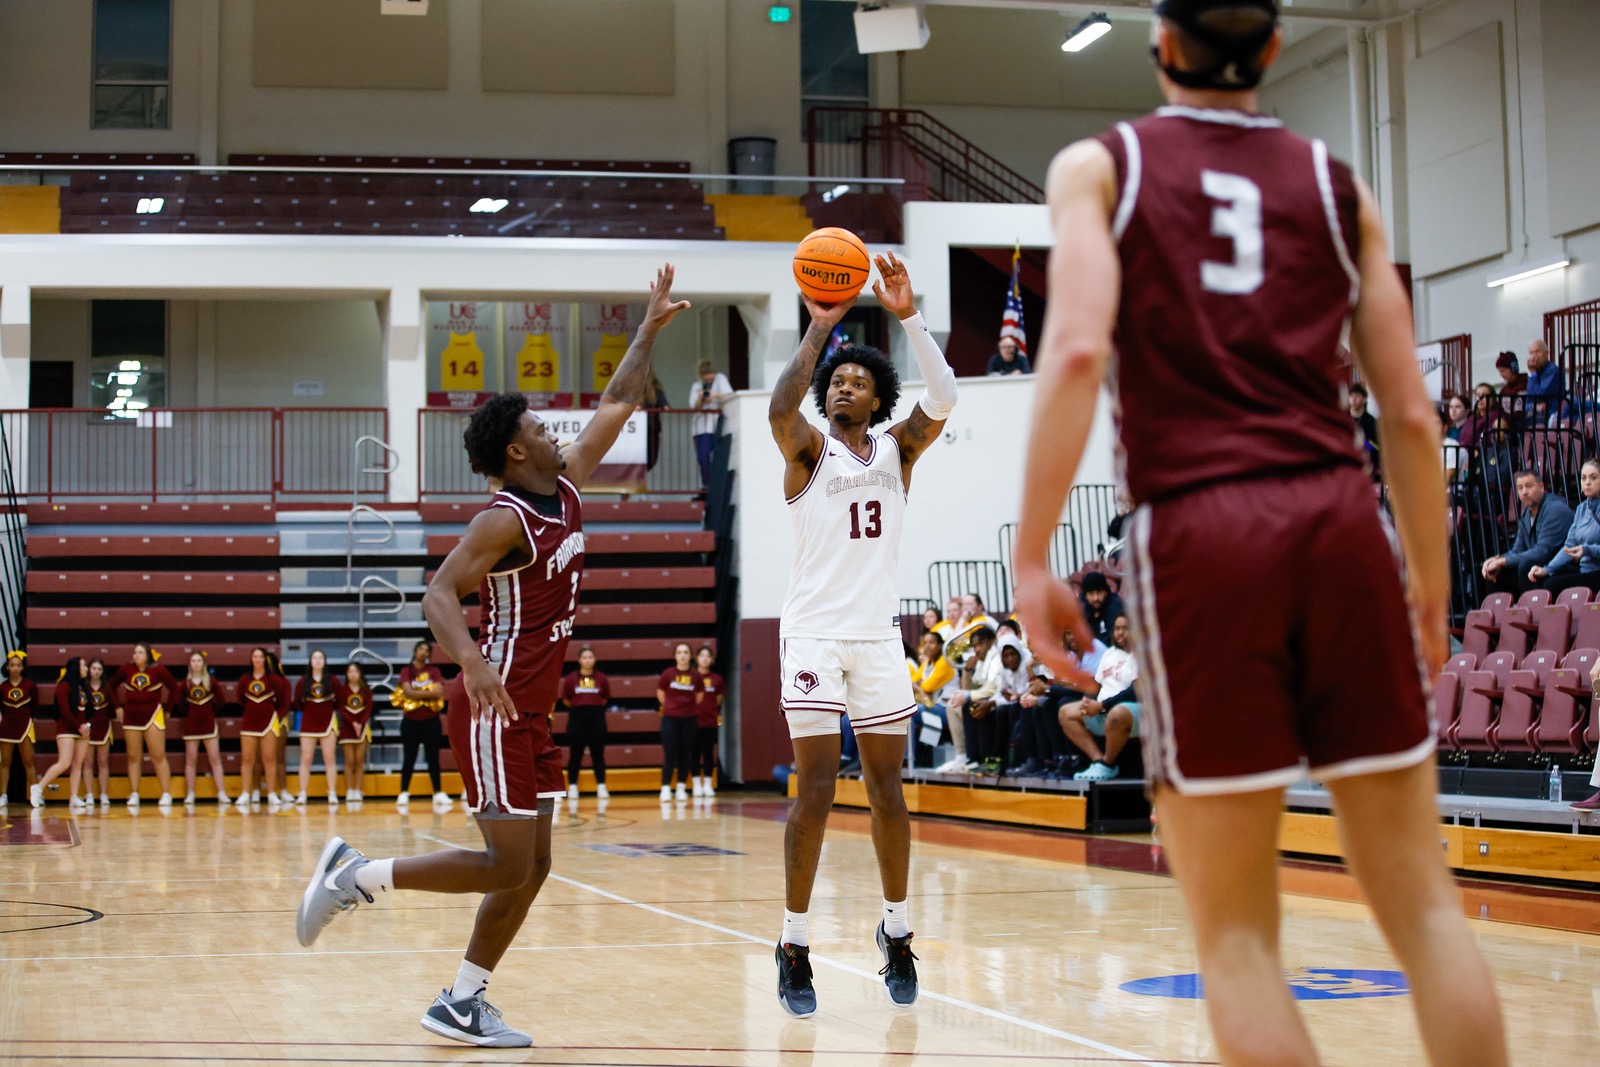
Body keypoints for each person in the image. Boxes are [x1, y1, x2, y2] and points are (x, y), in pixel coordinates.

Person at [1012, 3, 1507, 1064]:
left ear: (1161, 40)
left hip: (1199, 528)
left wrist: (1028, 552)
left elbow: (1074, 354)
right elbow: (1412, 414)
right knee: (1423, 906)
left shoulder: (1102, 167)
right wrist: (1426, 588)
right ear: (1273, 48)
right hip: (1339, 515)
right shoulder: (1339, 187)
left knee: (1234, 933)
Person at [296, 264, 689, 1049]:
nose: (555, 430)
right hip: (495, 703)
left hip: (531, 711)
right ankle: (356, 875)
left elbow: (617, 403)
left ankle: (461, 1001)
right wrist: (472, 665)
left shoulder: (569, 484)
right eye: (541, 427)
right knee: (505, 863)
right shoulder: (502, 520)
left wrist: (646, 328)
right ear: (516, 451)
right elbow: (438, 594)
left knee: (532, 865)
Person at [768, 248, 956, 1017]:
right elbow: (780, 409)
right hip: (813, 636)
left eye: (858, 379)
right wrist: (818, 329)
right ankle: (794, 943)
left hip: (877, 639)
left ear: (878, 397)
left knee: (887, 792)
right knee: (813, 792)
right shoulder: (806, 447)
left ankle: (897, 930)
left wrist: (908, 314)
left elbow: (943, 399)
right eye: (836, 379)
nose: (844, 383)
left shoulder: (896, 448)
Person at [1058, 614, 1140, 782]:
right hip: (1103, 709)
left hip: (1132, 711)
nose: (1120, 633)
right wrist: (1088, 702)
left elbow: (1135, 692)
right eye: (1117, 629)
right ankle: (1098, 760)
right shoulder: (1110, 653)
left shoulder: (1142, 654)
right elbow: (1096, 685)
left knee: (1117, 713)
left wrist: (1102, 705)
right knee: (1066, 712)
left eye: (1126, 628)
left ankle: (1108, 763)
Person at [1480, 471, 1571, 595]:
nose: (1524, 492)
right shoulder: (1526, 517)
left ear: (1541, 487)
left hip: (1562, 568)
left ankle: (1532, 611)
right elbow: (1517, 550)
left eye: (1529, 486)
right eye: (1520, 488)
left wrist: (1503, 561)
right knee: (1494, 572)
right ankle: (1502, 613)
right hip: (1538, 566)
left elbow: (1543, 552)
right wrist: (1496, 561)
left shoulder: (1556, 509)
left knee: (1526, 566)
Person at [110, 642, 178, 809]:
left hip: (154, 716)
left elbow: (175, 688)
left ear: (147, 655)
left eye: (140, 652)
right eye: (134, 652)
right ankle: (134, 793)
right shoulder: (126, 669)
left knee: (158, 756)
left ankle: (166, 793)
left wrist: (168, 710)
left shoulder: (159, 670)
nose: (136, 655)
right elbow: (110, 686)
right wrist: (117, 707)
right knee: (133, 757)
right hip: (131, 717)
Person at [1527, 460, 1600, 594]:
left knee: (1552, 585)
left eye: (1593, 477)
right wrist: (1547, 569)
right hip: (1585, 570)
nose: (1587, 482)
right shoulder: (1581, 509)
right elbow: (1569, 546)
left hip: (1597, 571)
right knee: (1540, 579)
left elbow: (1583, 549)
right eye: (1583, 478)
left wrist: (1586, 550)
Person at [394, 640, 449, 811]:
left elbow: (439, 691)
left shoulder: (434, 671)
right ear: (415, 650)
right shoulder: (406, 671)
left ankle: (438, 792)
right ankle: (403, 792)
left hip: (431, 721)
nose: (424, 652)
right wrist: (427, 693)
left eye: (427, 650)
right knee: (409, 758)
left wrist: (417, 695)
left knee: (433, 758)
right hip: (411, 722)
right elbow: (407, 692)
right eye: (421, 649)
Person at [238, 646, 290, 809]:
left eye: (260, 657)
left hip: (268, 722)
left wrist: (276, 716)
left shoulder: (273, 679)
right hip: (249, 722)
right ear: (251, 659)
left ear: (264, 660)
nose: (258, 659)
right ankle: (246, 793)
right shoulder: (245, 679)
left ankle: (271, 794)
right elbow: (240, 699)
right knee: (248, 760)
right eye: (255, 656)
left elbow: (282, 701)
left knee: (269, 758)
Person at [559, 646, 610, 801]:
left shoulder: (601, 678)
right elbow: (566, 699)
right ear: (579, 660)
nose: (588, 660)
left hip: (597, 717)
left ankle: (601, 786)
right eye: (585, 657)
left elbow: (605, 698)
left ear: (594, 660)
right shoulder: (571, 679)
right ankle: (573, 786)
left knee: (598, 753)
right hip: (577, 718)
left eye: (590, 657)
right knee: (575, 753)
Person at [178, 652, 228, 806]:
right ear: (190, 664)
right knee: (191, 761)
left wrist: (210, 712)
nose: (196, 663)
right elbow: (180, 705)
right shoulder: (185, 684)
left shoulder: (211, 682)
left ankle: (222, 793)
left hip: (209, 724)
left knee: (215, 759)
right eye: (193, 661)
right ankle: (190, 794)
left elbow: (221, 701)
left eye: (199, 660)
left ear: (204, 663)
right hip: (192, 725)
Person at [37, 658, 87, 809]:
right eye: (84, 665)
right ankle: (38, 788)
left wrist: (87, 725)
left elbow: (88, 709)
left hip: (82, 731)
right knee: (64, 762)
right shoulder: (63, 687)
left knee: (78, 765)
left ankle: (74, 796)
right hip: (67, 730)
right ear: (76, 668)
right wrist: (79, 726)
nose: (87, 668)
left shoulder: (82, 687)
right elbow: (64, 711)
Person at [296, 649, 341, 807]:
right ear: (310, 661)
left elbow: (339, 701)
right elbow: (297, 703)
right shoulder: (303, 682)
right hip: (308, 723)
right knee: (306, 759)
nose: (317, 660)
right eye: (314, 657)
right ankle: (302, 794)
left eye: (320, 657)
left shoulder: (333, 681)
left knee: (329, 759)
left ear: (324, 661)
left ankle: (332, 793)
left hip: (327, 723)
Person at [656, 642, 699, 803]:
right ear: (675, 656)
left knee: (685, 754)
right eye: (679, 652)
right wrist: (671, 707)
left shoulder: (696, 676)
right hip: (670, 719)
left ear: (690, 656)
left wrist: (686, 708)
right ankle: (665, 788)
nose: (682, 655)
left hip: (690, 719)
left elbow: (699, 695)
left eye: (686, 652)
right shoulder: (668, 674)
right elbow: (660, 693)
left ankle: (681, 787)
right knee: (670, 753)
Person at [1, 652, 39, 810]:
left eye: (18, 665)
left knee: (28, 761)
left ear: (22, 667)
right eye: (12, 665)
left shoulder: (30, 685)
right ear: (8, 668)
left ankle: (36, 794)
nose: (15, 668)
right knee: (5, 762)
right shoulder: (2, 687)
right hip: (7, 728)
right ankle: (3, 796)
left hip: (25, 726)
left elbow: (34, 706)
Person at [689, 359, 733, 488]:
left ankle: (714, 485)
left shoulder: (720, 379)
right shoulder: (696, 386)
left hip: (714, 425)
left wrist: (714, 395)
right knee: (702, 458)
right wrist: (701, 399)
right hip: (699, 426)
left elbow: (729, 394)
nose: (709, 382)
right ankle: (706, 485)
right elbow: (694, 406)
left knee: (714, 457)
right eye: (706, 380)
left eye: (710, 380)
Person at [336, 662, 373, 803]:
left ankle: (358, 790)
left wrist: (360, 723)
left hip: (362, 729)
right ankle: (349, 790)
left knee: (359, 760)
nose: (353, 674)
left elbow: (368, 709)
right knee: (349, 761)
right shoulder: (342, 690)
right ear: (346, 675)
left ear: (360, 674)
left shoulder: (366, 691)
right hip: (347, 728)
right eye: (350, 672)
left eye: (355, 671)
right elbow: (341, 708)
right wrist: (352, 722)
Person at [693, 646, 725, 798]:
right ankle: (696, 784)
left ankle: (707, 783)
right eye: (702, 655)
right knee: (694, 753)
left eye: (708, 656)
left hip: (710, 721)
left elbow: (718, 700)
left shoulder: (716, 679)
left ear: (712, 660)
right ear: (697, 659)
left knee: (708, 752)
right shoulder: (692, 677)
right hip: (692, 721)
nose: (705, 658)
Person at [81, 660, 114, 810]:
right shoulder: (83, 687)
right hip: (88, 729)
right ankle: (89, 795)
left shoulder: (107, 688)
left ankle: (104, 794)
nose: (96, 671)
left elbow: (114, 707)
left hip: (104, 727)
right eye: (93, 668)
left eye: (99, 669)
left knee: (103, 762)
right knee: (88, 763)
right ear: (89, 670)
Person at [1078, 572, 1124, 645]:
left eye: (1099, 592)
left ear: (1106, 592)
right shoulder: (1084, 608)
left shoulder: (1115, 606)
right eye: (1091, 594)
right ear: (1085, 596)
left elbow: (1113, 638)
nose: (1096, 598)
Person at [1348, 381, 1380, 471]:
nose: (1353, 399)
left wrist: (1364, 443)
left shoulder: (1372, 422)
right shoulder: (1344, 419)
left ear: (1364, 398)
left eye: (1357, 396)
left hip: (1369, 468)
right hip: (1348, 468)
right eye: (1351, 396)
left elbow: (1378, 447)